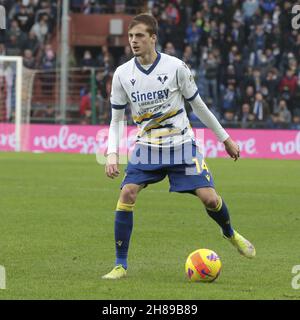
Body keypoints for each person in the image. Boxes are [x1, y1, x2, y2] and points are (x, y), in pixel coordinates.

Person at [102, 13, 255, 280]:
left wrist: (225, 138)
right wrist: (112, 154)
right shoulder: (122, 74)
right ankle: (120, 264)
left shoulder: (176, 67)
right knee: (127, 193)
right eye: (130, 36)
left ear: (153, 38)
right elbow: (116, 119)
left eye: (139, 36)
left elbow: (198, 106)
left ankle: (230, 234)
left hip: (182, 144)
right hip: (147, 146)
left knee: (209, 198)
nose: (133, 41)